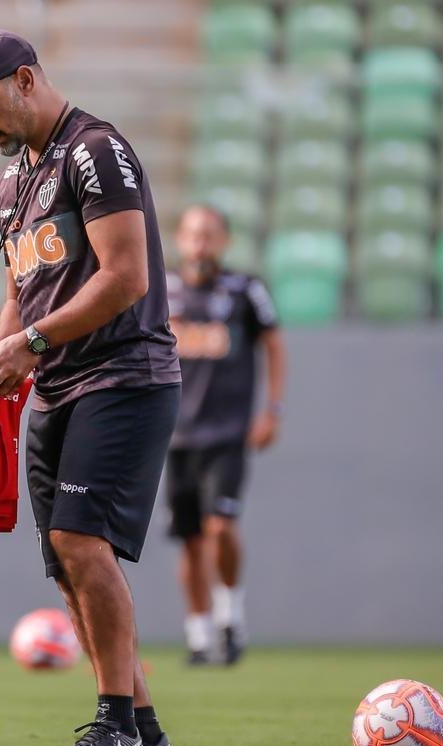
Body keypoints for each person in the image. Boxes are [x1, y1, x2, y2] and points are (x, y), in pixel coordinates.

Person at [0, 30, 181, 746]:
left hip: (124, 373)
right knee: (63, 560)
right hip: (57, 385)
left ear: (27, 79)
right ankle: (144, 730)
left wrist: (30, 345)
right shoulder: (13, 181)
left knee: (80, 541)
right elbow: (21, 293)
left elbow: (127, 276)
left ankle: (116, 729)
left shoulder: (96, 150)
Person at [166, 206, 286, 667]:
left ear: (225, 242)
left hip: (227, 432)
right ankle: (198, 635)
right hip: (174, 435)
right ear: (180, 239)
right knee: (191, 539)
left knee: (221, 526)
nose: (201, 244)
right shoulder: (163, 289)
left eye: (210, 235)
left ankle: (230, 616)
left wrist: (273, 410)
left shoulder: (245, 290)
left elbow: (274, 344)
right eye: (193, 234)